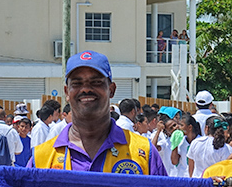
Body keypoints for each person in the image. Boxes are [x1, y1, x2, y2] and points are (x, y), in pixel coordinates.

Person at [31, 51, 167, 175]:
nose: (85, 89)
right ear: (67, 92)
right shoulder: (40, 159)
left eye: (96, 82)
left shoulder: (144, 153)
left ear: (111, 90)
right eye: (77, 83)